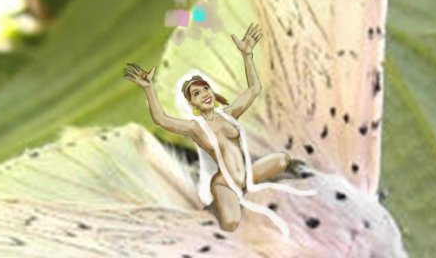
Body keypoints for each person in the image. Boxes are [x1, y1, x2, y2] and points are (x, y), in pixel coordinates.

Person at [124, 23, 306, 234]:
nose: (204, 94)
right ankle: (210, 210)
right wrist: (148, 89)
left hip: (247, 176)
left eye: (205, 89)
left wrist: (247, 55)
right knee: (230, 223)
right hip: (225, 184)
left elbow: (254, 89)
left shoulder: (229, 115)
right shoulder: (196, 128)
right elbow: (161, 119)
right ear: (193, 104)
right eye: (197, 94)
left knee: (283, 160)